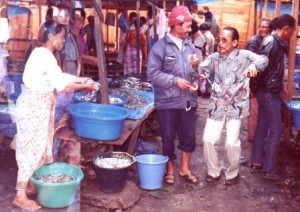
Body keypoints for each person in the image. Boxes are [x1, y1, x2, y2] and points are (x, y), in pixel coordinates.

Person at [12, 21, 95, 211]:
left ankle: (31, 184)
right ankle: (19, 195)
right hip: (33, 108)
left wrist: (82, 79)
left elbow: (60, 77)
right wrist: (85, 86)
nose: (63, 41)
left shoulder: (46, 55)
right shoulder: (43, 55)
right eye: (61, 37)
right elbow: (63, 85)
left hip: (40, 107)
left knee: (40, 146)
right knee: (29, 149)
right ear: (50, 37)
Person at [200, 26, 268, 186]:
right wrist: (198, 65)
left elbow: (264, 59)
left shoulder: (244, 56)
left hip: (236, 106)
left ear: (235, 42)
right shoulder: (215, 57)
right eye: (218, 39)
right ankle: (213, 171)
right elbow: (204, 70)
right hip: (217, 104)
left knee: (231, 142)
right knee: (208, 139)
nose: (220, 43)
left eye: (224, 40)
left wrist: (254, 66)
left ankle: (232, 172)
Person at [147, 5, 200, 185]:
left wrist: (195, 81)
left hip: (187, 100)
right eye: (186, 25)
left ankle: (185, 169)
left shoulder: (190, 46)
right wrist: (174, 80)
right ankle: (169, 169)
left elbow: (195, 70)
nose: (189, 29)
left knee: (188, 136)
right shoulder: (160, 47)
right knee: (168, 136)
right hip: (167, 101)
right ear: (176, 25)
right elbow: (152, 74)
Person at [250, 14, 296, 180]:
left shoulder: (274, 42)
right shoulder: (272, 43)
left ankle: (256, 160)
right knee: (276, 130)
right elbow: (259, 68)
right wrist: (253, 88)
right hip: (268, 92)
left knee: (262, 125)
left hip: (269, 90)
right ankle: (269, 169)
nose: (291, 35)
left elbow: (271, 70)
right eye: (291, 31)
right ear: (286, 28)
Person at [245, 17, 271, 142]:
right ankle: (253, 138)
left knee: (258, 111)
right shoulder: (254, 42)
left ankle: (256, 137)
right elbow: (250, 65)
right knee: (254, 111)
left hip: (261, 82)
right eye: (263, 27)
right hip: (254, 82)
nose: (265, 29)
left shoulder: (266, 40)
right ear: (258, 27)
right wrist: (251, 87)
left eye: (267, 27)